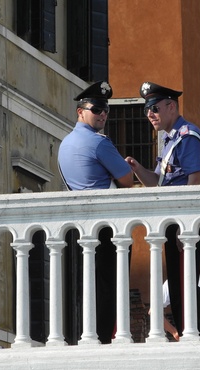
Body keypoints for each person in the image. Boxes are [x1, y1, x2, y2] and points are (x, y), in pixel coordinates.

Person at [126, 81, 200, 339]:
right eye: (147, 109)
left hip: (188, 222)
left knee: (184, 284)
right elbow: (158, 183)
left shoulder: (188, 137)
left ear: (171, 106)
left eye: (154, 107)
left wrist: (186, 225)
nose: (150, 114)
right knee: (176, 287)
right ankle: (190, 334)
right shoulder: (170, 141)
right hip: (175, 222)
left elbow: (195, 181)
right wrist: (137, 168)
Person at [58, 81, 133, 343]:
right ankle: (105, 339)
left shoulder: (65, 144)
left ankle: (87, 335)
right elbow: (127, 180)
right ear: (80, 111)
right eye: (96, 109)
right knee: (111, 288)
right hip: (108, 227)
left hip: (81, 226)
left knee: (86, 287)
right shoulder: (99, 143)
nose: (102, 114)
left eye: (105, 110)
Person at [158, 273, 200, 341]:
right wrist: (174, 332)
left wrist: (174, 332)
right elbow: (154, 311)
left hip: (199, 336)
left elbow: (154, 311)